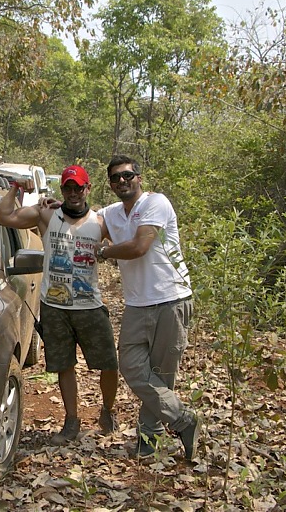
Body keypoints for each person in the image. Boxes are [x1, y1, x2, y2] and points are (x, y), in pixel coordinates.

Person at [0, 165, 119, 444]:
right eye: (68, 187)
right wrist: (16, 188)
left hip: (90, 305)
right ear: (62, 189)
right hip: (55, 306)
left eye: (79, 187)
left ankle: (108, 410)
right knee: (64, 365)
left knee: (109, 364)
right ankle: (71, 420)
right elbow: (3, 216)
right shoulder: (46, 214)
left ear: (88, 189)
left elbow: (125, 243)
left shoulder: (101, 223)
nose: (74, 193)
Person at [96, 155, 200, 460]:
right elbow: (88, 222)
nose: (122, 182)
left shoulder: (156, 203)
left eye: (127, 175)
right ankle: (184, 420)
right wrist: (55, 210)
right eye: (115, 178)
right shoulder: (113, 213)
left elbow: (140, 247)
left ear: (139, 178)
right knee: (130, 365)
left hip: (171, 299)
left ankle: (149, 436)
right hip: (137, 304)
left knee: (161, 374)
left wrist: (104, 251)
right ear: (110, 184)